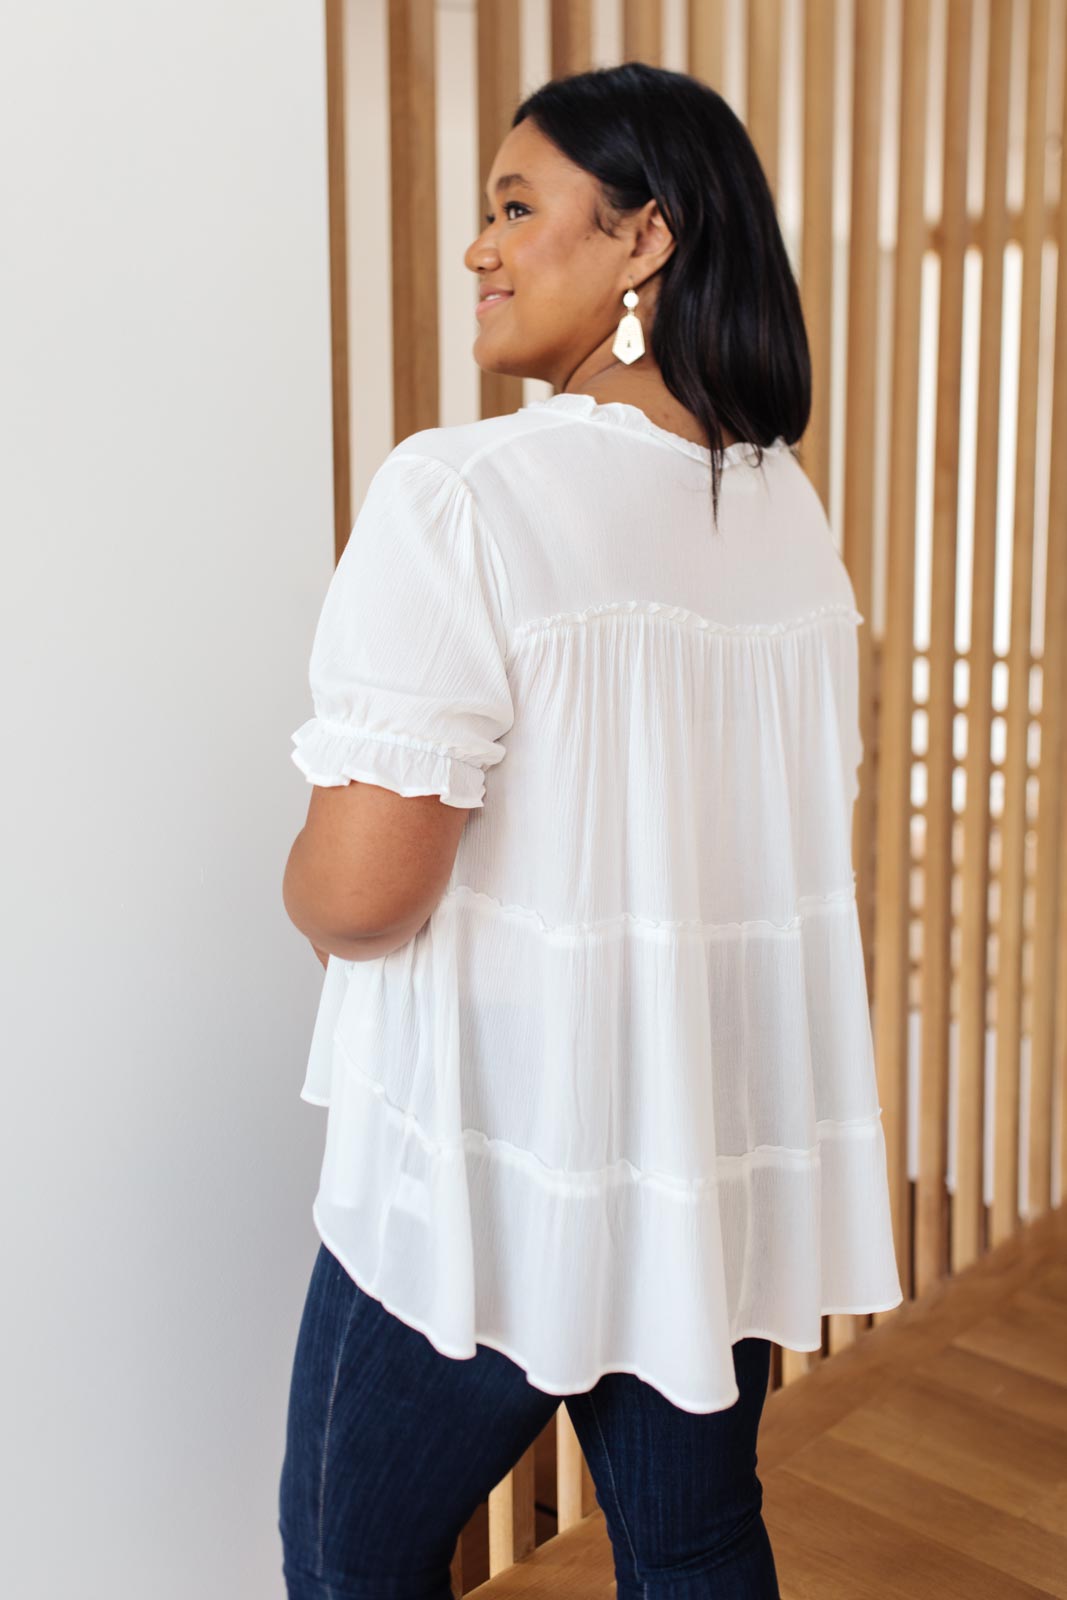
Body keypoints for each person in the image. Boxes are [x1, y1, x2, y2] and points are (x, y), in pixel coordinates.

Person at [278, 60, 903, 1600]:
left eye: (515, 206)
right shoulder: (785, 512)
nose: (478, 247)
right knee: (695, 1546)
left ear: (645, 238)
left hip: (495, 1153)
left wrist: (303, 879)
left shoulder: (462, 495)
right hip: (693, 1144)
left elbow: (360, 897)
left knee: (351, 1566)